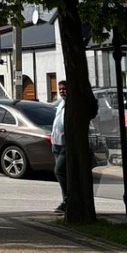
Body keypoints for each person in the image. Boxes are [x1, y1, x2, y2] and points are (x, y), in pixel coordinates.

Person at [50, 80, 68, 217]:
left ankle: (67, 201)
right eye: (60, 89)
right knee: (63, 173)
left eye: (64, 88)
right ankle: (66, 201)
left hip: (66, 144)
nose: (62, 91)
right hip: (56, 143)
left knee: (59, 171)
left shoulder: (72, 104)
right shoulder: (61, 103)